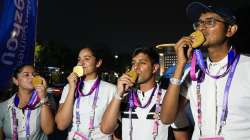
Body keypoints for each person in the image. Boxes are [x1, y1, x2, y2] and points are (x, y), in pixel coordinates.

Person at [160, 1, 250, 140]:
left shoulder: (247, 67)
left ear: (230, 30)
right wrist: (180, 65)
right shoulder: (193, 73)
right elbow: (166, 118)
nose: (201, 28)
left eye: (210, 22)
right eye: (199, 23)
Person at [101, 47, 189, 140]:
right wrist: (118, 94)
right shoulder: (123, 98)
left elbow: (182, 136)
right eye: (133, 63)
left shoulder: (169, 97)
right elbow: (105, 129)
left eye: (142, 63)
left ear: (154, 68)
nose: (135, 67)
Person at [55, 47, 117, 140]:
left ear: (98, 63)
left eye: (87, 59)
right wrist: (72, 88)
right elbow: (61, 125)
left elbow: (114, 129)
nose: (81, 63)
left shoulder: (111, 89)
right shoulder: (68, 87)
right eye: (79, 59)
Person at [0, 64, 55, 140]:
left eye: (34, 74)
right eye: (26, 75)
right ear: (16, 81)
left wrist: (43, 98)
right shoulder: (3, 107)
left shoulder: (46, 99)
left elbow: (48, 130)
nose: (32, 77)